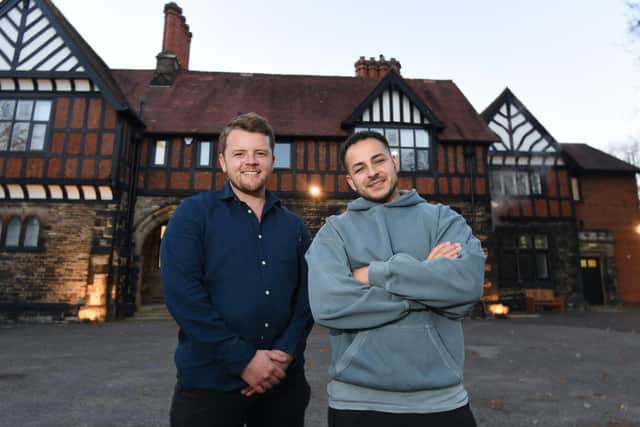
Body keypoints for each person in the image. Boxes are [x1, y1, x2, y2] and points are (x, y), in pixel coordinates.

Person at [305, 130, 485, 427]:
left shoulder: (443, 219)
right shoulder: (334, 232)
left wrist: (375, 273)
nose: (372, 172)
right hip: (357, 402)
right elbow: (329, 305)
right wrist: (427, 282)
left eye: (378, 161)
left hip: (440, 402)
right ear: (350, 181)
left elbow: (466, 286)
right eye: (359, 168)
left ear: (394, 162)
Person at [160, 112, 313, 427]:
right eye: (239, 154)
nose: (250, 161)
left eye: (259, 153)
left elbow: (307, 298)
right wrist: (243, 359)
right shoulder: (193, 215)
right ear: (222, 161)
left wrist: (285, 352)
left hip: (282, 384)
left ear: (272, 159)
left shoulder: (294, 227)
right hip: (208, 386)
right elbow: (184, 296)